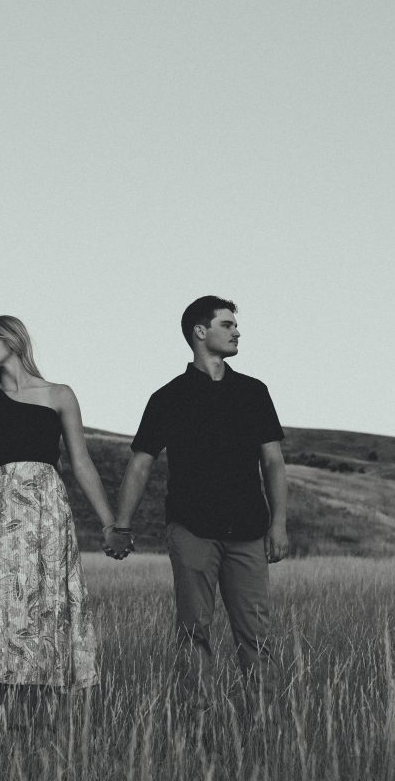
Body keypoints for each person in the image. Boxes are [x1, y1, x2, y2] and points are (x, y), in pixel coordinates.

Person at [108, 296, 288, 713]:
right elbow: (140, 465)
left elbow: (273, 462)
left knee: (256, 632)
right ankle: (197, 722)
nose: (237, 331)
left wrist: (278, 525)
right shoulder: (169, 396)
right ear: (200, 332)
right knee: (194, 631)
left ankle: (267, 725)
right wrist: (121, 525)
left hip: (248, 530)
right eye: (227, 325)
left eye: (235, 325)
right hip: (192, 529)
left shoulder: (253, 392)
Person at [0, 315, 120, 700]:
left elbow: (81, 462)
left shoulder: (59, 395)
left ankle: (48, 709)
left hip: (47, 512)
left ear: (13, 341)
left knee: (50, 603)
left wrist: (110, 524)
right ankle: (3, 708)